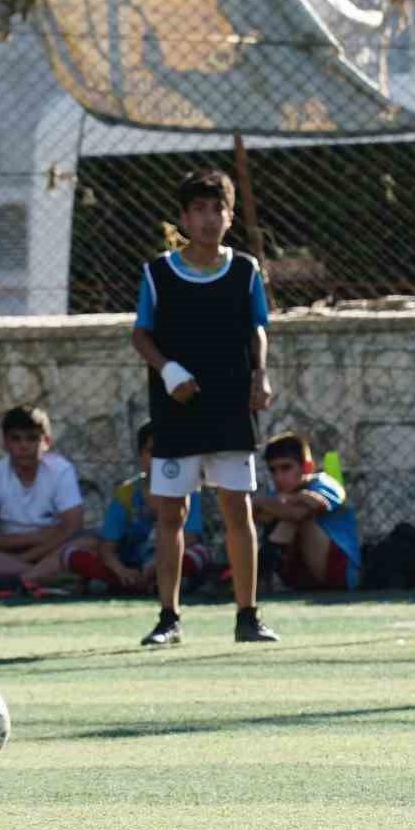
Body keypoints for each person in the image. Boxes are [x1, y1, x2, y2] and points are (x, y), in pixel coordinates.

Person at [130, 167, 278, 646]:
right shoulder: (158, 272)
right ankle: (169, 618)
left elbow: (258, 327)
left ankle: (247, 616)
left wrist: (261, 373)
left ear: (230, 216)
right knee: (171, 513)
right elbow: (141, 332)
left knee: (238, 510)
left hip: (231, 407)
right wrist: (169, 371)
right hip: (177, 410)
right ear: (183, 218)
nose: (209, 218)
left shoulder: (245, 269)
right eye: (199, 209)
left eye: (218, 209)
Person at [0, 405, 92, 596]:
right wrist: (38, 537)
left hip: (52, 549)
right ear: (5, 443)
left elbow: (73, 527)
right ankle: (47, 578)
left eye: (32, 438)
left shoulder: (61, 470)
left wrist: (32, 554)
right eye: (16, 439)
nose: (24, 446)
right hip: (6, 553)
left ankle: (16, 580)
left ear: (46, 442)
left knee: (89, 541)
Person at [67, 421, 208, 595]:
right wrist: (121, 570)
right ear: (141, 456)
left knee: (198, 555)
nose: (159, 458)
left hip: (165, 561)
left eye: (166, 451)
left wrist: (155, 565)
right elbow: (108, 546)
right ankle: (136, 584)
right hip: (131, 565)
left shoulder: (188, 490)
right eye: (152, 452)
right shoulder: (125, 493)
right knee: (72, 555)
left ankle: (139, 584)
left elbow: (191, 538)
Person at [252, 432, 362, 592]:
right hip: (304, 576)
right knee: (283, 517)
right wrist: (269, 505)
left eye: (286, 468)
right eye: (273, 471)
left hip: (343, 575)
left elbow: (308, 509)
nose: (279, 477)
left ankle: (260, 573)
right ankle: (259, 575)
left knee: (298, 519)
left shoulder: (323, 483)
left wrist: (277, 502)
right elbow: (257, 514)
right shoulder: (276, 495)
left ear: (307, 467)